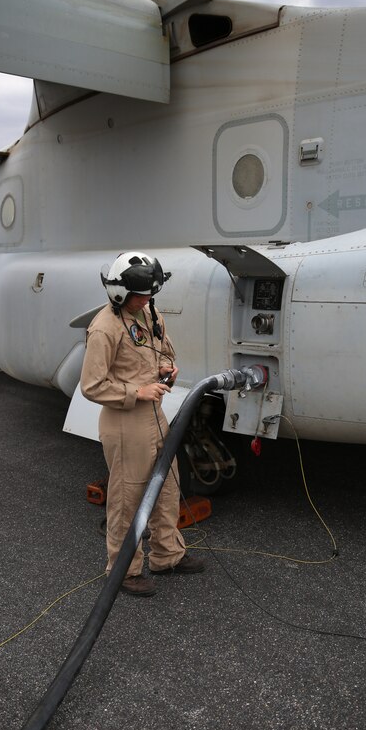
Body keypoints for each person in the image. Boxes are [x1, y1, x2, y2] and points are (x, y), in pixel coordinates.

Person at [80, 251, 204, 596]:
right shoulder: (104, 328)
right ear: (120, 293)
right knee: (127, 499)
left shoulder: (147, 311)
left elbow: (162, 348)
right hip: (125, 422)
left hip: (155, 415)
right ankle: (124, 571)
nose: (147, 299)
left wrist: (167, 369)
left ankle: (168, 556)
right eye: (141, 294)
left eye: (151, 294)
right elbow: (91, 385)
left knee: (167, 486)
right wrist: (138, 390)